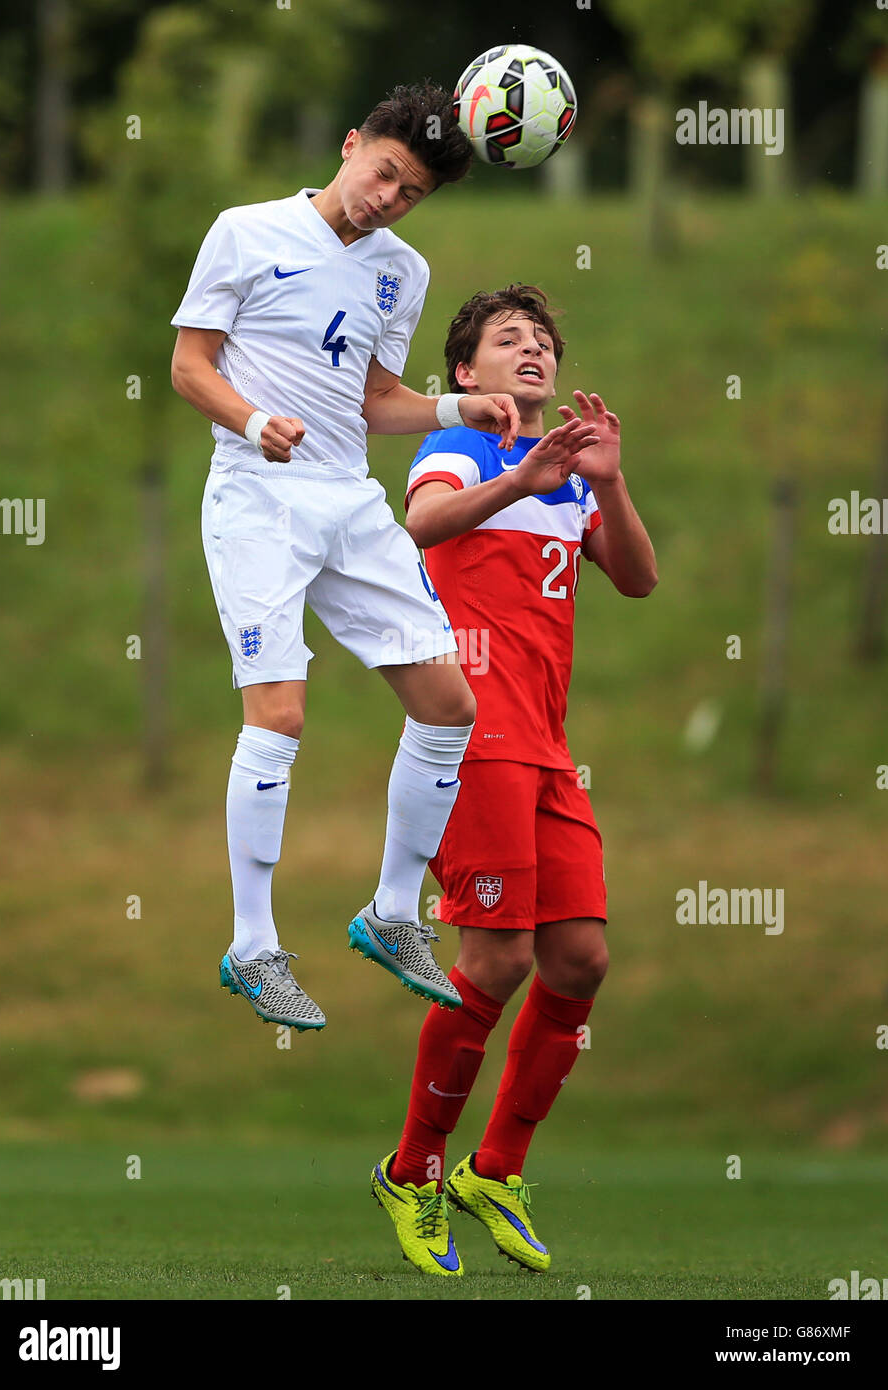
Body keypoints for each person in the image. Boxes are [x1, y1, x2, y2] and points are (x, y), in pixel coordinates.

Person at [170, 85, 524, 1032]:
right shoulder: (245, 232)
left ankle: (393, 913)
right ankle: (253, 946)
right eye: (382, 173)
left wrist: (459, 410)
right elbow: (188, 365)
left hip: (348, 503)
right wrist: (252, 419)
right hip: (256, 498)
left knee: (450, 703)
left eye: (409, 192)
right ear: (349, 145)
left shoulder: (400, 273)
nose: (385, 197)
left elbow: (372, 399)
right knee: (279, 715)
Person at [372, 284, 657, 1275]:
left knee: (577, 960)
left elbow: (637, 579)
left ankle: (495, 1169)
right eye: (507, 339)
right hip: (474, 736)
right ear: (465, 373)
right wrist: (520, 478)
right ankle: (412, 1169)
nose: (531, 350)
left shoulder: (569, 474)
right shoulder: (461, 449)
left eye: (541, 340)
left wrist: (604, 483)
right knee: (494, 961)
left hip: (545, 744)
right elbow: (423, 525)